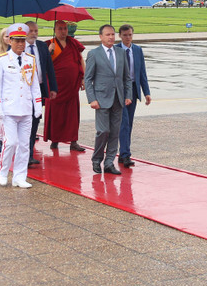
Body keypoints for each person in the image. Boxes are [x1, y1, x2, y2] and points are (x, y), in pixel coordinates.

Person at [0, 23, 41, 188]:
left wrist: (37, 106)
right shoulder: (2, 60)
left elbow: (34, 85)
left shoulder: (30, 59)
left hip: (25, 108)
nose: (20, 44)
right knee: (11, 143)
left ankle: (19, 177)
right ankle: (3, 171)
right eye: (17, 41)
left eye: (22, 41)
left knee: (25, 145)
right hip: (9, 109)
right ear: (10, 41)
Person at [85, 25, 132, 175]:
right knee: (103, 131)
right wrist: (92, 99)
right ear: (100, 37)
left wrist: (128, 95)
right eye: (107, 35)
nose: (111, 37)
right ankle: (96, 159)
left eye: (112, 34)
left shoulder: (121, 52)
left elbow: (127, 77)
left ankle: (109, 162)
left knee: (114, 132)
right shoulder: (94, 54)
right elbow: (88, 79)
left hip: (118, 98)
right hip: (101, 99)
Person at [44, 20, 86, 151]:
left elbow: (80, 60)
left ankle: (73, 141)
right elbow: (44, 65)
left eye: (65, 29)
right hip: (55, 87)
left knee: (72, 114)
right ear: (55, 30)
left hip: (72, 86)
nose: (63, 31)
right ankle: (54, 140)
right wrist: (48, 52)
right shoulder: (49, 45)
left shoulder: (73, 43)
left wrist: (83, 77)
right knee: (56, 114)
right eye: (60, 29)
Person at [115, 24, 152, 168]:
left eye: (130, 35)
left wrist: (146, 92)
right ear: (120, 36)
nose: (128, 38)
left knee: (128, 123)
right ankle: (125, 155)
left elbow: (142, 72)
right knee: (123, 122)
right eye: (125, 35)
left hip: (134, 90)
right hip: (121, 91)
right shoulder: (116, 50)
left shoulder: (137, 50)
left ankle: (122, 152)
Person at [25, 21, 58, 166]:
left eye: (36, 31)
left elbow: (49, 68)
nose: (34, 34)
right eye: (31, 31)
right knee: (26, 123)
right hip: (23, 92)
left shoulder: (42, 46)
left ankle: (29, 154)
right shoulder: (18, 47)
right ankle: (23, 154)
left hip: (38, 90)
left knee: (34, 121)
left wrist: (53, 88)